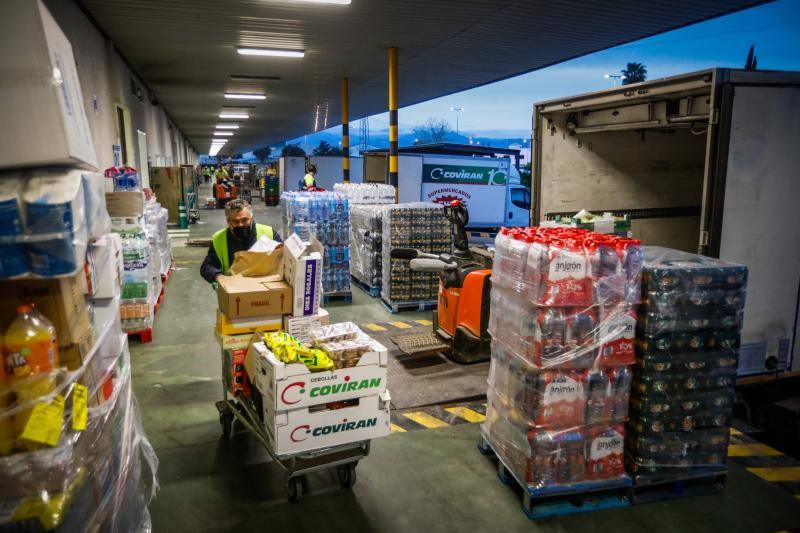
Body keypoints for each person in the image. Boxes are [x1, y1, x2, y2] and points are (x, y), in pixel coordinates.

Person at [200, 198, 281, 284]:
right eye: (236, 221)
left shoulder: (269, 233)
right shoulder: (219, 239)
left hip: (264, 288)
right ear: (228, 222)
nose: (240, 224)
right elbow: (207, 266)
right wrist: (218, 276)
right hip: (234, 290)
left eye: (245, 220)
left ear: (252, 218)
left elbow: (284, 258)